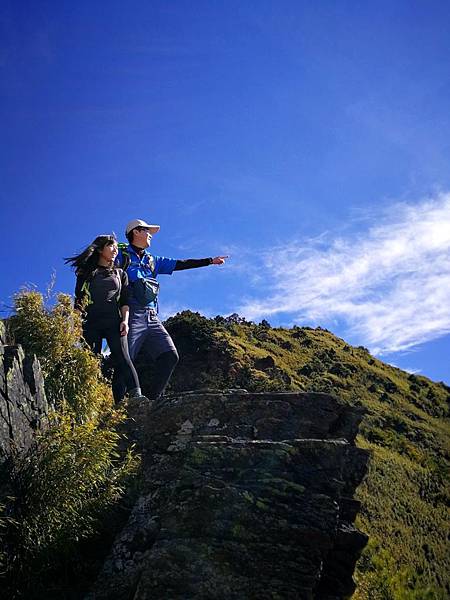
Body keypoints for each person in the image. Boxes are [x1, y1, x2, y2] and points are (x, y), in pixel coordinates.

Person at [115, 218, 228, 407]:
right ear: (135, 232)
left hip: (152, 316)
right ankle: (116, 407)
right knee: (126, 359)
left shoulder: (153, 260)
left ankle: (149, 404)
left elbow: (180, 263)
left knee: (169, 355)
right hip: (131, 313)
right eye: (146, 230)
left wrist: (210, 261)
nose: (150, 234)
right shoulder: (120, 255)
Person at [65, 234, 145, 402]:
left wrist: (125, 321)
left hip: (113, 321)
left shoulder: (120, 273)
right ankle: (90, 402)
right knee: (91, 362)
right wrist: (75, 324)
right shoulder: (86, 272)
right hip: (90, 322)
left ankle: (136, 396)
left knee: (123, 358)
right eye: (111, 246)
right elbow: (79, 299)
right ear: (100, 249)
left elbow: (124, 300)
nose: (115, 250)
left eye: (116, 246)